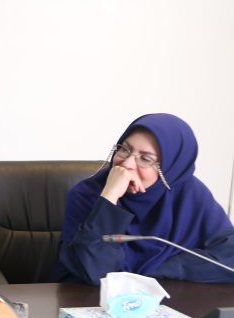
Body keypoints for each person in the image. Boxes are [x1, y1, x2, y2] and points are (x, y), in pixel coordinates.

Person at [57, 113, 234, 284]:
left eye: (145, 159)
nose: (127, 164)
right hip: (89, 298)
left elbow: (229, 257)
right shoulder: (86, 194)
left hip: (166, 298)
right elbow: (94, 271)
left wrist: (161, 272)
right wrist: (109, 198)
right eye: (124, 149)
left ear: (171, 168)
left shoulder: (190, 194)